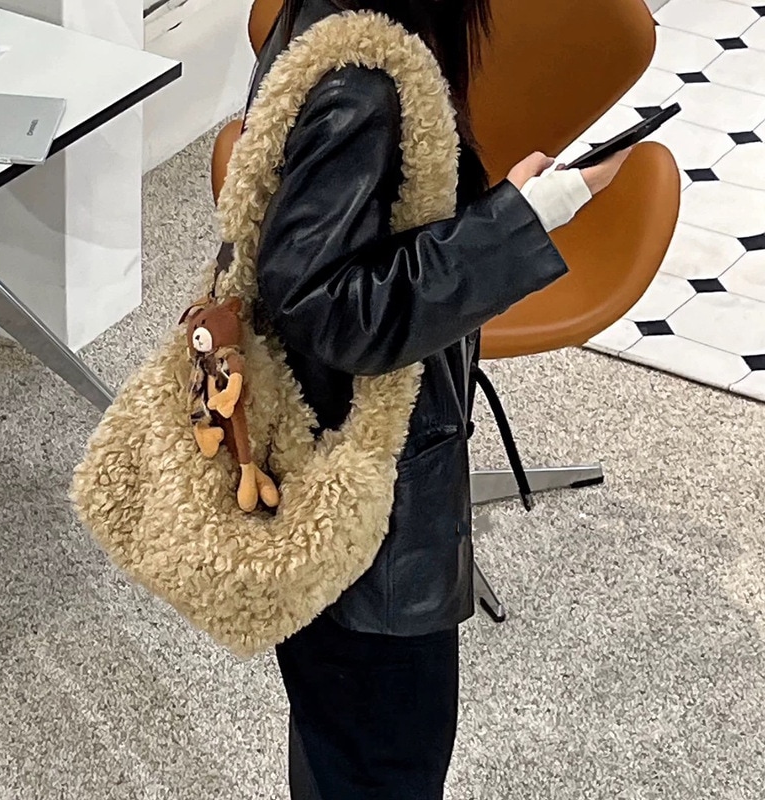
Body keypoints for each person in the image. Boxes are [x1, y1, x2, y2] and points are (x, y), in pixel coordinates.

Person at [233, 1, 631, 797]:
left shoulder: (335, 30)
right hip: (370, 515)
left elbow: (355, 248)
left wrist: (497, 209)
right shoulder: (362, 84)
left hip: (328, 475)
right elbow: (324, 307)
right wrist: (523, 221)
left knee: (338, 738)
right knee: (387, 754)